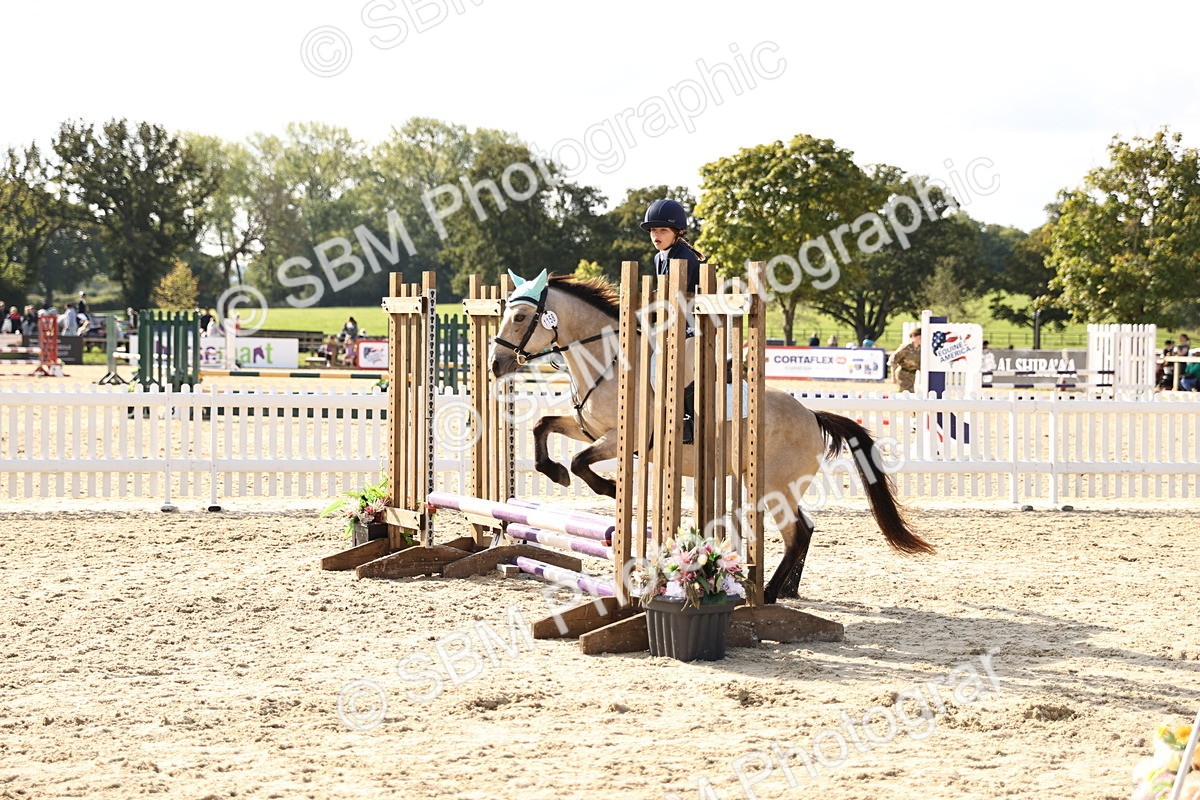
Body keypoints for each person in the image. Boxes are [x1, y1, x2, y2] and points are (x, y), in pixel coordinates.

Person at [641, 198, 707, 443]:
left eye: (662, 230)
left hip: (696, 325)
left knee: (683, 368)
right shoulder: (659, 258)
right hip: (673, 324)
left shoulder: (685, 257)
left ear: (677, 232)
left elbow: (673, 295)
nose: (656, 235)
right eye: (653, 231)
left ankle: (689, 420)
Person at [889, 328, 922, 393]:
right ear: (914, 337)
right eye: (920, 338)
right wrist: (893, 377)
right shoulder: (906, 347)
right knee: (905, 394)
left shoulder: (920, 348)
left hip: (912, 375)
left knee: (910, 394)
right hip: (903, 374)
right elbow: (893, 360)